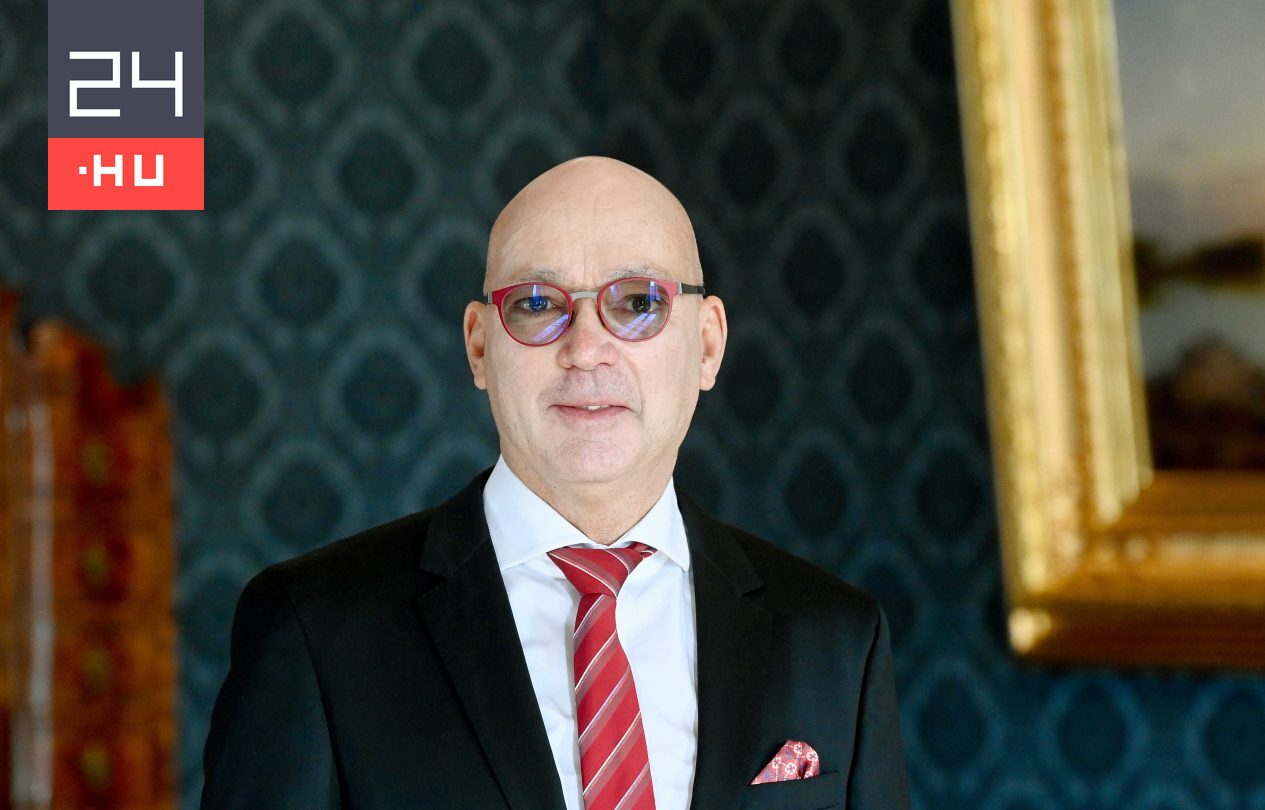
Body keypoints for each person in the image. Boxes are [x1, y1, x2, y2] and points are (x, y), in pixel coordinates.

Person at [201, 157, 909, 809]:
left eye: (639, 302)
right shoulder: (315, 632)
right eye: (538, 305)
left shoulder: (836, 639)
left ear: (708, 343)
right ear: (480, 346)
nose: (587, 348)